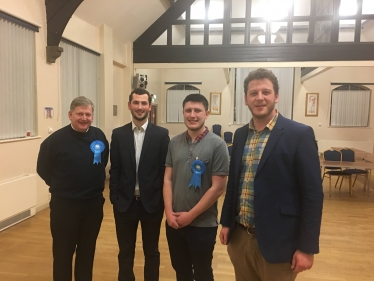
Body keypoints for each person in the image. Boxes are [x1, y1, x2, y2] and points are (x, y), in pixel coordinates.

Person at [219, 68, 324, 281]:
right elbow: (234, 184)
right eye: (253, 93)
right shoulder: (240, 135)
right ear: (246, 99)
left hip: (280, 243)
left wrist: (307, 248)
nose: (260, 98)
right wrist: (227, 223)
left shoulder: (299, 134)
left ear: (276, 96)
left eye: (266, 92)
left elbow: (313, 195)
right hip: (240, 238)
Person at [37, 96, 109, 281]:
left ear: (92, 116)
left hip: (92, 206)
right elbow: (43, 169)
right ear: (70, 115)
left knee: (87, 252)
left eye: (88, 114)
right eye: (79, 114)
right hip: (64, 207)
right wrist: (62, 185)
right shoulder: (54, 141)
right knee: (62, 254)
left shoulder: (99, 136)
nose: (84, 118)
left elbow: (102, 163)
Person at [163, 93, 229, 281]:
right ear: (183, 113)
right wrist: (169, 212)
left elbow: (217, 188)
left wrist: (190, 216)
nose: (192, 115)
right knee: (181, 271)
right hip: (174, 222)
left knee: (202, 273)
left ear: (206, 114)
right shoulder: (174, 142)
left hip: (202, 225)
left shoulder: (218, 145)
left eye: (197, 110)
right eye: (188, 110)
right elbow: (167, 179)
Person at [109, 88, 169, 281]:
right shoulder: (118, 134)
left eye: (144, 103)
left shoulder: (161, 135)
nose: (140, 107)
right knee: (125, 251)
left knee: (151, 251)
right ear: (129, 105)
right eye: (136, 103)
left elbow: (164, 170)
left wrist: (160, 198)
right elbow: (115, 169)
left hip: (151, 204)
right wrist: (114, 196)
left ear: (149, 107)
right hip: (124, 204)